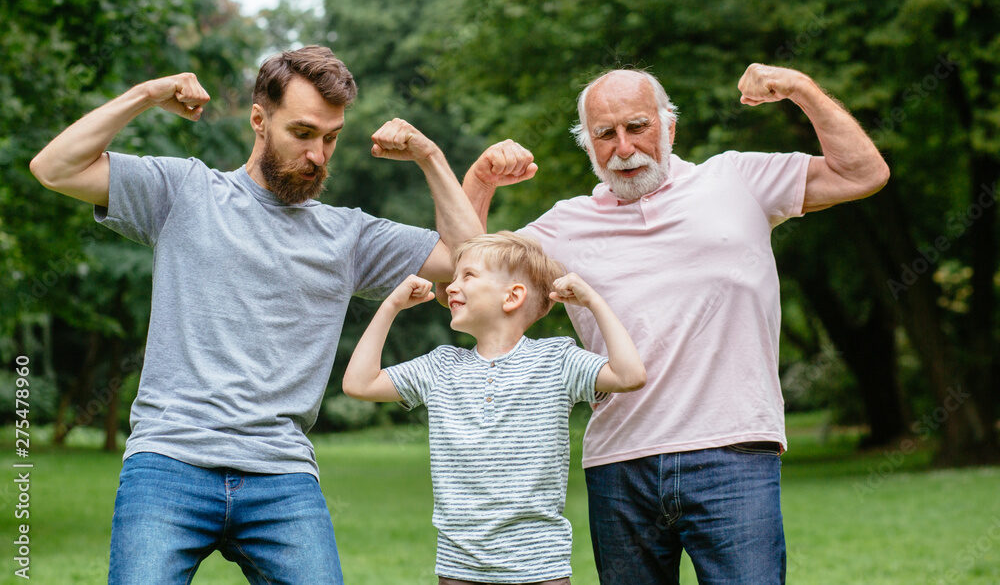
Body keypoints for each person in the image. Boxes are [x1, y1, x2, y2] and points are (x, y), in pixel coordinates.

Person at [28, 45, 483, 584]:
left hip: (282, 475)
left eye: (331, 138)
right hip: (169, 461)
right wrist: (148, 94)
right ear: (258, 120)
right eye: (303, 133)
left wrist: (429, 155)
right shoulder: (184, 192)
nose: (318, 154)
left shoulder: (349, 235)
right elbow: (54, 167)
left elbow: (472, 262)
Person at [460, 64, 890, 583]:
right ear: (589, 145)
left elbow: (862, 173)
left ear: (669, 127)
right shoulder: (563, 226)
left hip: (734, 453)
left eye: (637, 126)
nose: (623, 147)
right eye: (605, 134)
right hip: (620, 464)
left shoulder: (737, 179)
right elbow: (464, 278)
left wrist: (800, 90)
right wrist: (479, 185)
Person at [342, 232, 646, 584]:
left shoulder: (555, 360)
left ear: (512, 296)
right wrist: (389, 306)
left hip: (539, 565)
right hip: (459, 566)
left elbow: (629, 374)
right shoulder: (441, 366)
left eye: (467, 276)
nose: (451, 287)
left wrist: (593, 301)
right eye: (453, 277)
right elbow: (359, 384)